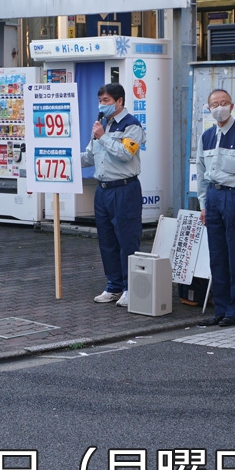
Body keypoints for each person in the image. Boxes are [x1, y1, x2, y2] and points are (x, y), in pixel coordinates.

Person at [196, 89, 235, 328]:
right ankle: (219, 309)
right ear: (208, 108)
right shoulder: (207, 136)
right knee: (217, 256)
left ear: (232, 106)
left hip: (233, 197)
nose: (218, 107)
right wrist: (202, 205)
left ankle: (234, 310)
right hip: (212, 196)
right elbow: (201, 173)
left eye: (223, 103)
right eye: (214, 104)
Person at [81, 83, 145, 308]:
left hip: (124, 189)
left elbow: (126, 154)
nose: (102, 105)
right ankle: (114, 285)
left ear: (119, 102)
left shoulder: (132, 125)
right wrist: (64, 161)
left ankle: (130, 288)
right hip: (103, 190)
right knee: (107, 240)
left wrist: (103, 137)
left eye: (106, 100)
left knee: (127, 240)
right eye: (100, 101)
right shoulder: (102, 126)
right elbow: (90, 156)